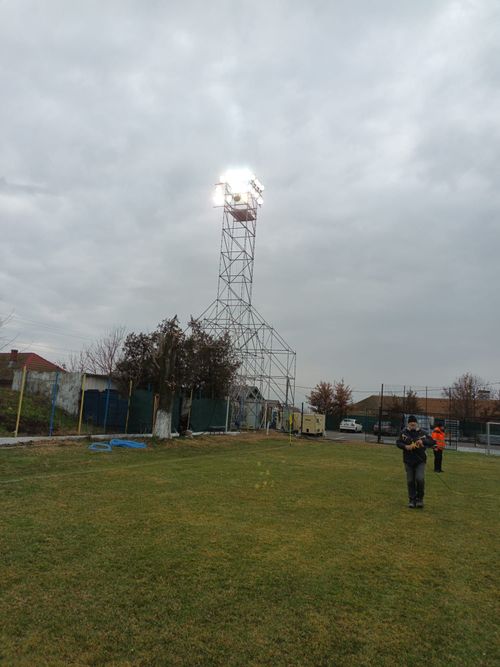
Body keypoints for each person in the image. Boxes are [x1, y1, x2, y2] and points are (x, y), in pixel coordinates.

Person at [396, 415, 435, 509]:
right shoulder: (403, 433)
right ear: (408, 423)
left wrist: (423, 441)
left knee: (420, 479)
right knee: (410, 481)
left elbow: (432, 441)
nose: (412, 424)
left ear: (416, 423)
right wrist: (406, 447)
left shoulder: (423, 432)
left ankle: (420, 499)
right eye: (410, 422)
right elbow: (398, 443)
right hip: (408, 460)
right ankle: (412, 500)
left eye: (414, 422)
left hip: (420, 460)